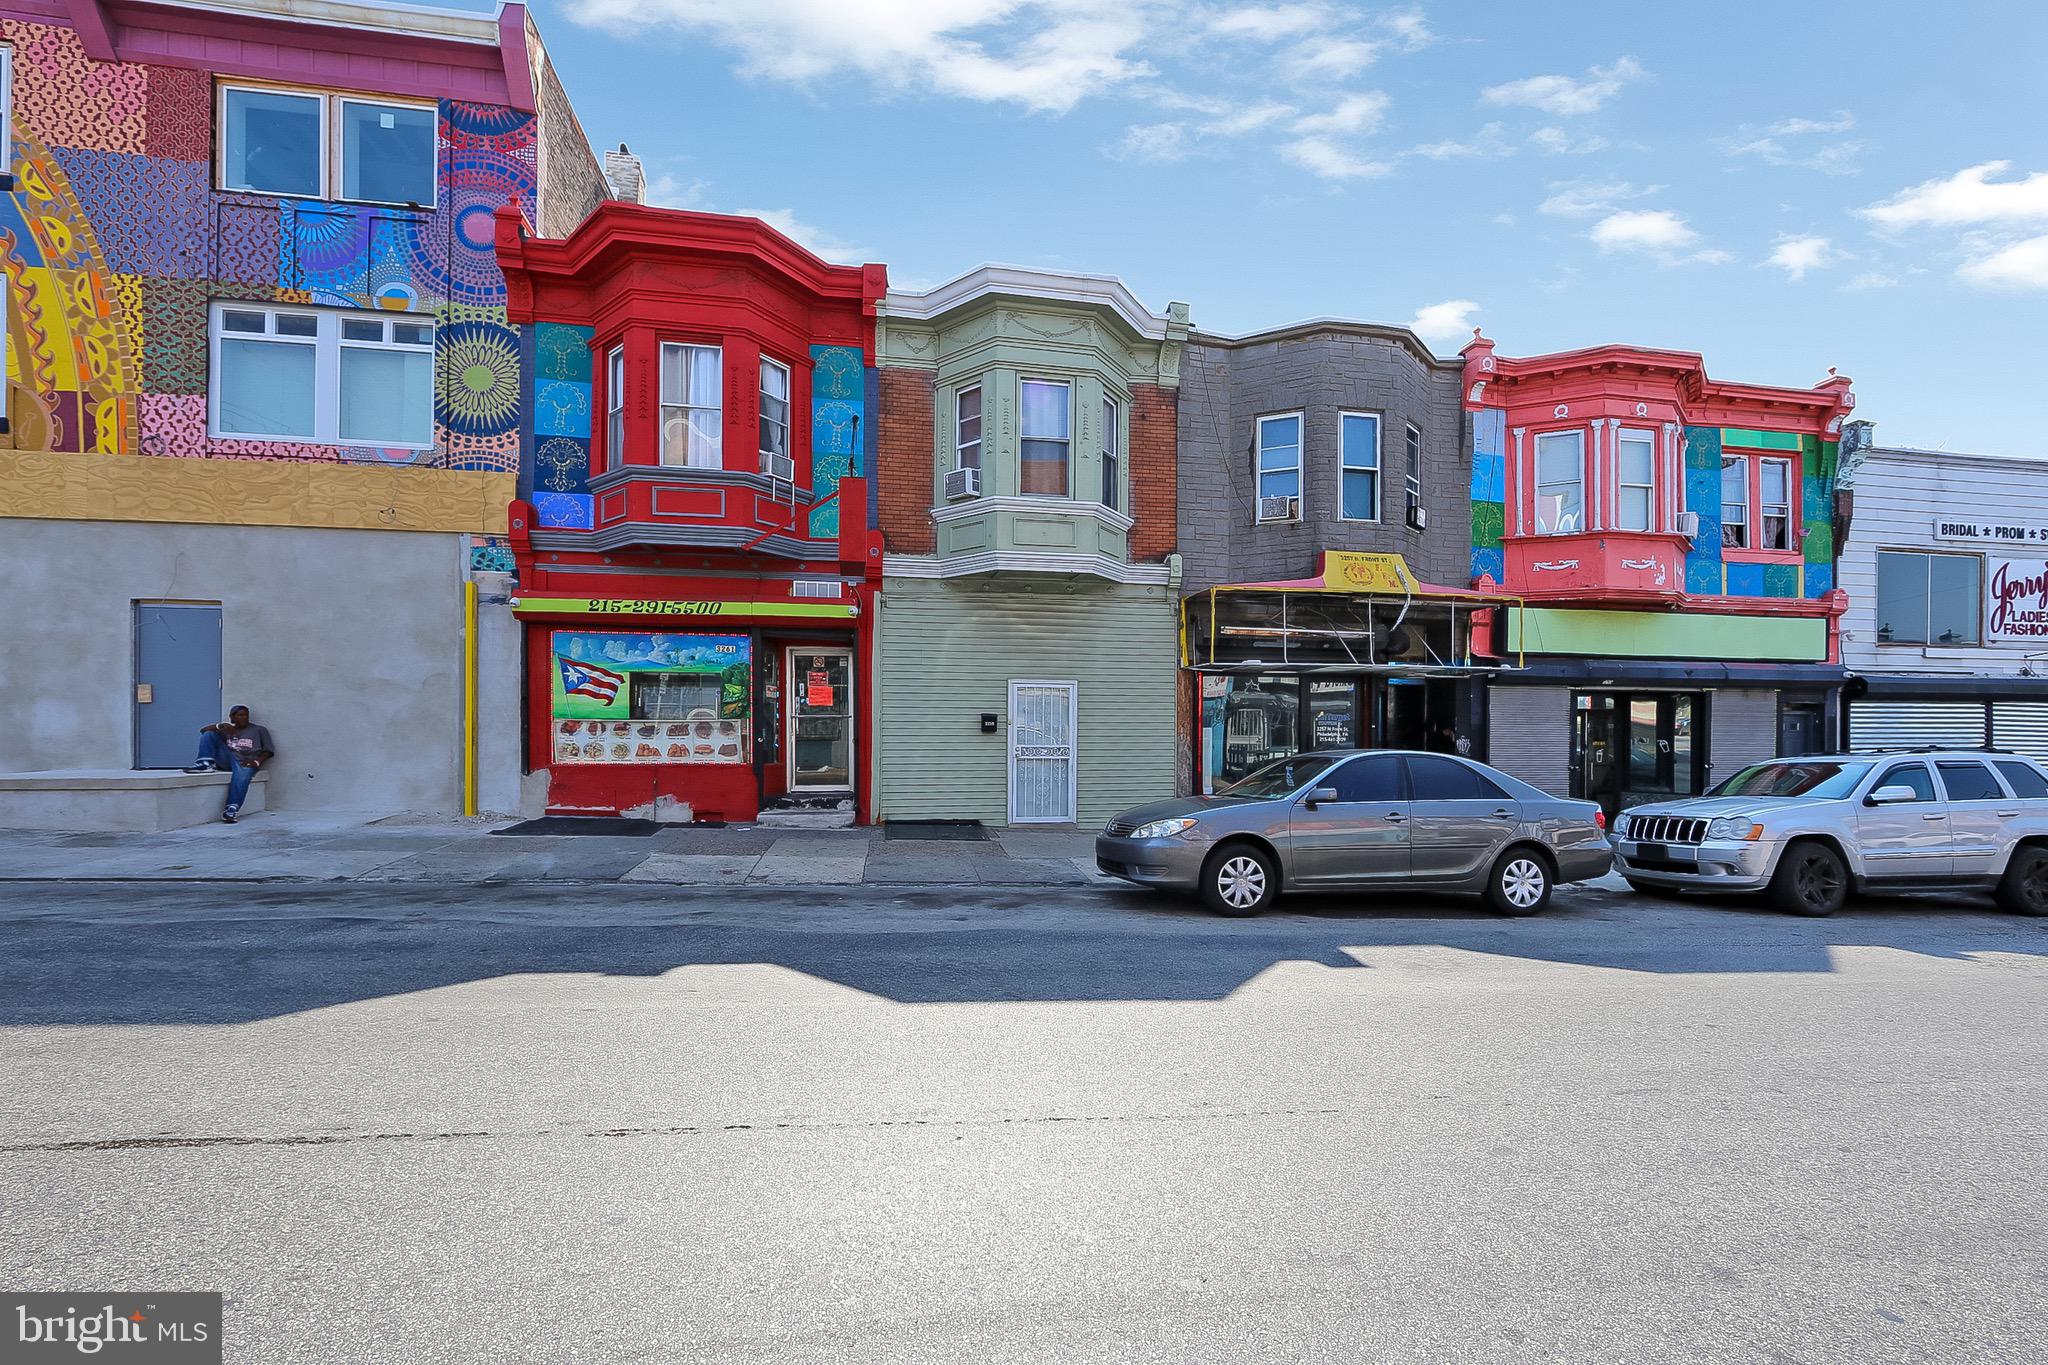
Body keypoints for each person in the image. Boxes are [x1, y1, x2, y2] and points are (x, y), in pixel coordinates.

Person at [183, 706, 276, 823]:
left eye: (245, 715)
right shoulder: (227, 730)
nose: (244, 718)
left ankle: (231, 809)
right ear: (232, 718)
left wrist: (257, 762)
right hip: (228, 759)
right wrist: (219, 726)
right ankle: (205, 763)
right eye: (240, 715)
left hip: (245, 761)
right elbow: (203, 731)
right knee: (209, 734)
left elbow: (268, 750)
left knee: (243, 774)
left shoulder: (259, 730)